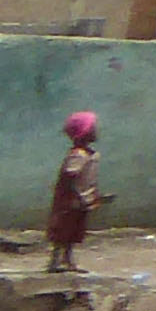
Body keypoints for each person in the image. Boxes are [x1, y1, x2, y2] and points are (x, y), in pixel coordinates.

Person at [47, 108, 107, 267]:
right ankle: (56, 260)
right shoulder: (78, 155)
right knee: (64, 230)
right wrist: (76, 195)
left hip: (82, 200)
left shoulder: (90, 154)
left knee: (75, 230)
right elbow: (70, 176)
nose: (96, 130)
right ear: (84, 132)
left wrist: (93, 195)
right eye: (92, 127)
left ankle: (67, 259)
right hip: (71, 201)